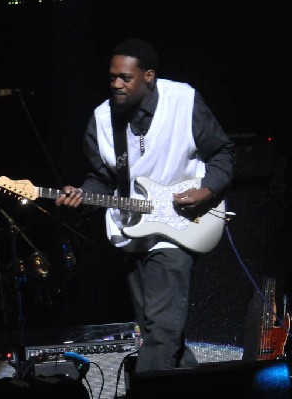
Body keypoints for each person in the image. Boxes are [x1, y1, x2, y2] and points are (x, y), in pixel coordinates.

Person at [56, 38, 235, 373]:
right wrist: (81, 194)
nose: (116, 84)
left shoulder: (183, 101)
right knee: (160, 333)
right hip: (131, 232)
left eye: (125, 78)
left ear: (149, 76)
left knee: (160, 335)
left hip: (178, 228)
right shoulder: (101, 120)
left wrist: (207, 190)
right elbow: (100, 178)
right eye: (112, 77)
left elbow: (223, 152)